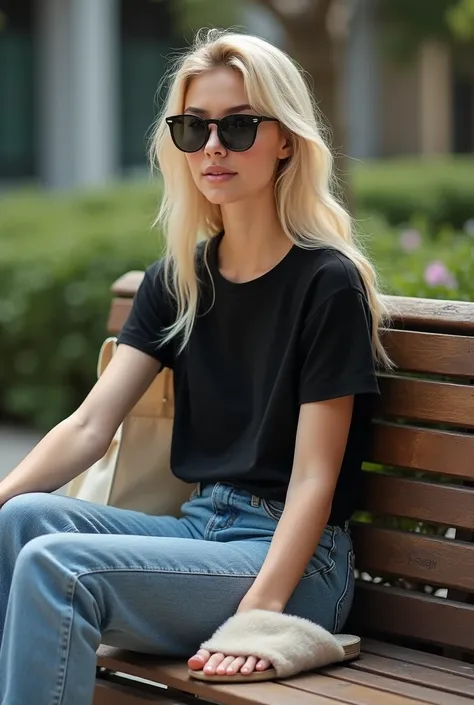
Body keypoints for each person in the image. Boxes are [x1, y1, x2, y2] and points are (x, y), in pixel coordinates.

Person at [0, 28, 390, 704]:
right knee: (20, 522)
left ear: (286, 139)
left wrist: (257, 618)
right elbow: (91, 424)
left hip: (296, 564)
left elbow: (313, 482)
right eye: (194, 128)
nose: (213, 146)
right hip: (199, 530)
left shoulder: (327, 283)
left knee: (58, 564)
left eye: (239, 126)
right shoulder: (182, 277)